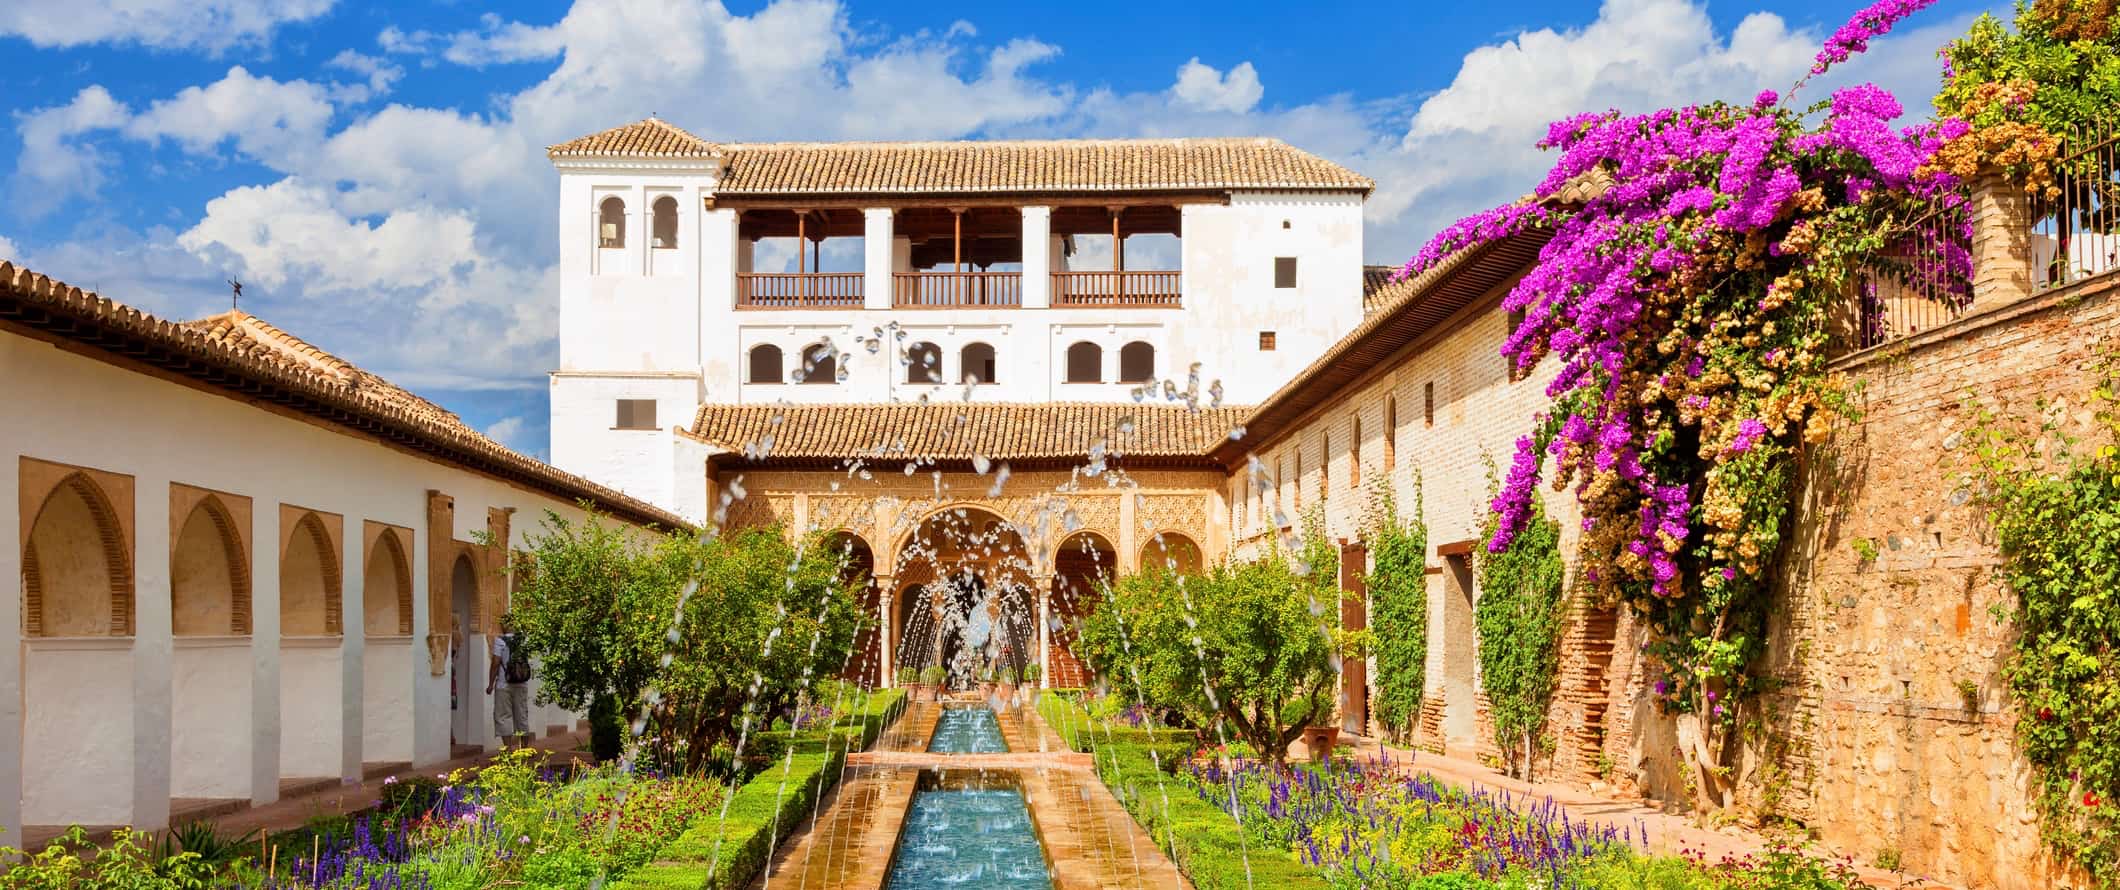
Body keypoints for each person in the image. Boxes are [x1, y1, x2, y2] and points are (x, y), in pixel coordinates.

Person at [487, 616, 533, 750]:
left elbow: (495, 663)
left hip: (504, 683)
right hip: (521, 683)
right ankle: (524, 748)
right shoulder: (524, 640)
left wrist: (490, 684)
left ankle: (508, 749)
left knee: (503, 715)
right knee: (522, 714)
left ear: (503, 626)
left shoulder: (500, 641)